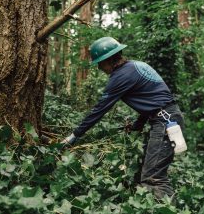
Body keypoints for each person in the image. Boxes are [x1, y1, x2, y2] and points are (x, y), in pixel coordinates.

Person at [61, 36, 185, 199]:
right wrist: (137, 125)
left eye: (100, 63)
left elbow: (100, 109)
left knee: (153, 178)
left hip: (165, 121)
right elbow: (154, 100)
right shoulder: (135, 66)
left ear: (109, 60)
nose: (99, 67)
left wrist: (75, 135)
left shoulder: (121, 76)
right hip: (166, 117)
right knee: (148, 171)